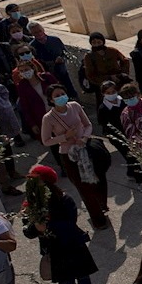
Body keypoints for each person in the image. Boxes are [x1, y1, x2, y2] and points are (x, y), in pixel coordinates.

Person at [21, 165, 102, 284]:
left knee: (83, 276)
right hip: (55, 251)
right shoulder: (31, 205)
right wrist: (35, 227)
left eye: (37, 180)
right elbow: (27, 231)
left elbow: (70, 223)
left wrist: (48, 225)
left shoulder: (64, 199)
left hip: (73, 245)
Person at [38, 87, 111, 228]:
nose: (61, 97)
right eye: (57, 95)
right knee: (84, 188)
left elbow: (88, 125)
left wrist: (84, 138)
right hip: (69, 155)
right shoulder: (48, 118)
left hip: (87, 148)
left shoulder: (75, 106)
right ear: (51, 100)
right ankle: (98, 219)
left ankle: (101, 205)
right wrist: (65, 137)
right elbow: (46, 140)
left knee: (98, 179)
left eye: (63, 94)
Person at [81, 32, 132, 100]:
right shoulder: (89, 57)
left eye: (99, 42)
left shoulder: (112, 51)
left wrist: (122, 74)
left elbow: (124, 60)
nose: (96, 45)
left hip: (118, 82)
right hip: (102, 86)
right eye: (94, 43)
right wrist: (108, 78)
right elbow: (90, 74)